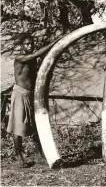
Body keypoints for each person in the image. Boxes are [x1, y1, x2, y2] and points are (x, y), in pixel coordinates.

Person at [6, 35, 61, 168]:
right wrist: (56, 41)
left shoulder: (33, 60)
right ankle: (19, 157)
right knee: (18, 127)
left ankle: (39, 155)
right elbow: (37, 53)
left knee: (35, 125)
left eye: (31, 44)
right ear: (22, 46)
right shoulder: (20, 58)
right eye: (27, 44)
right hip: (20, 94)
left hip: (31, 95)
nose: (30, 46)